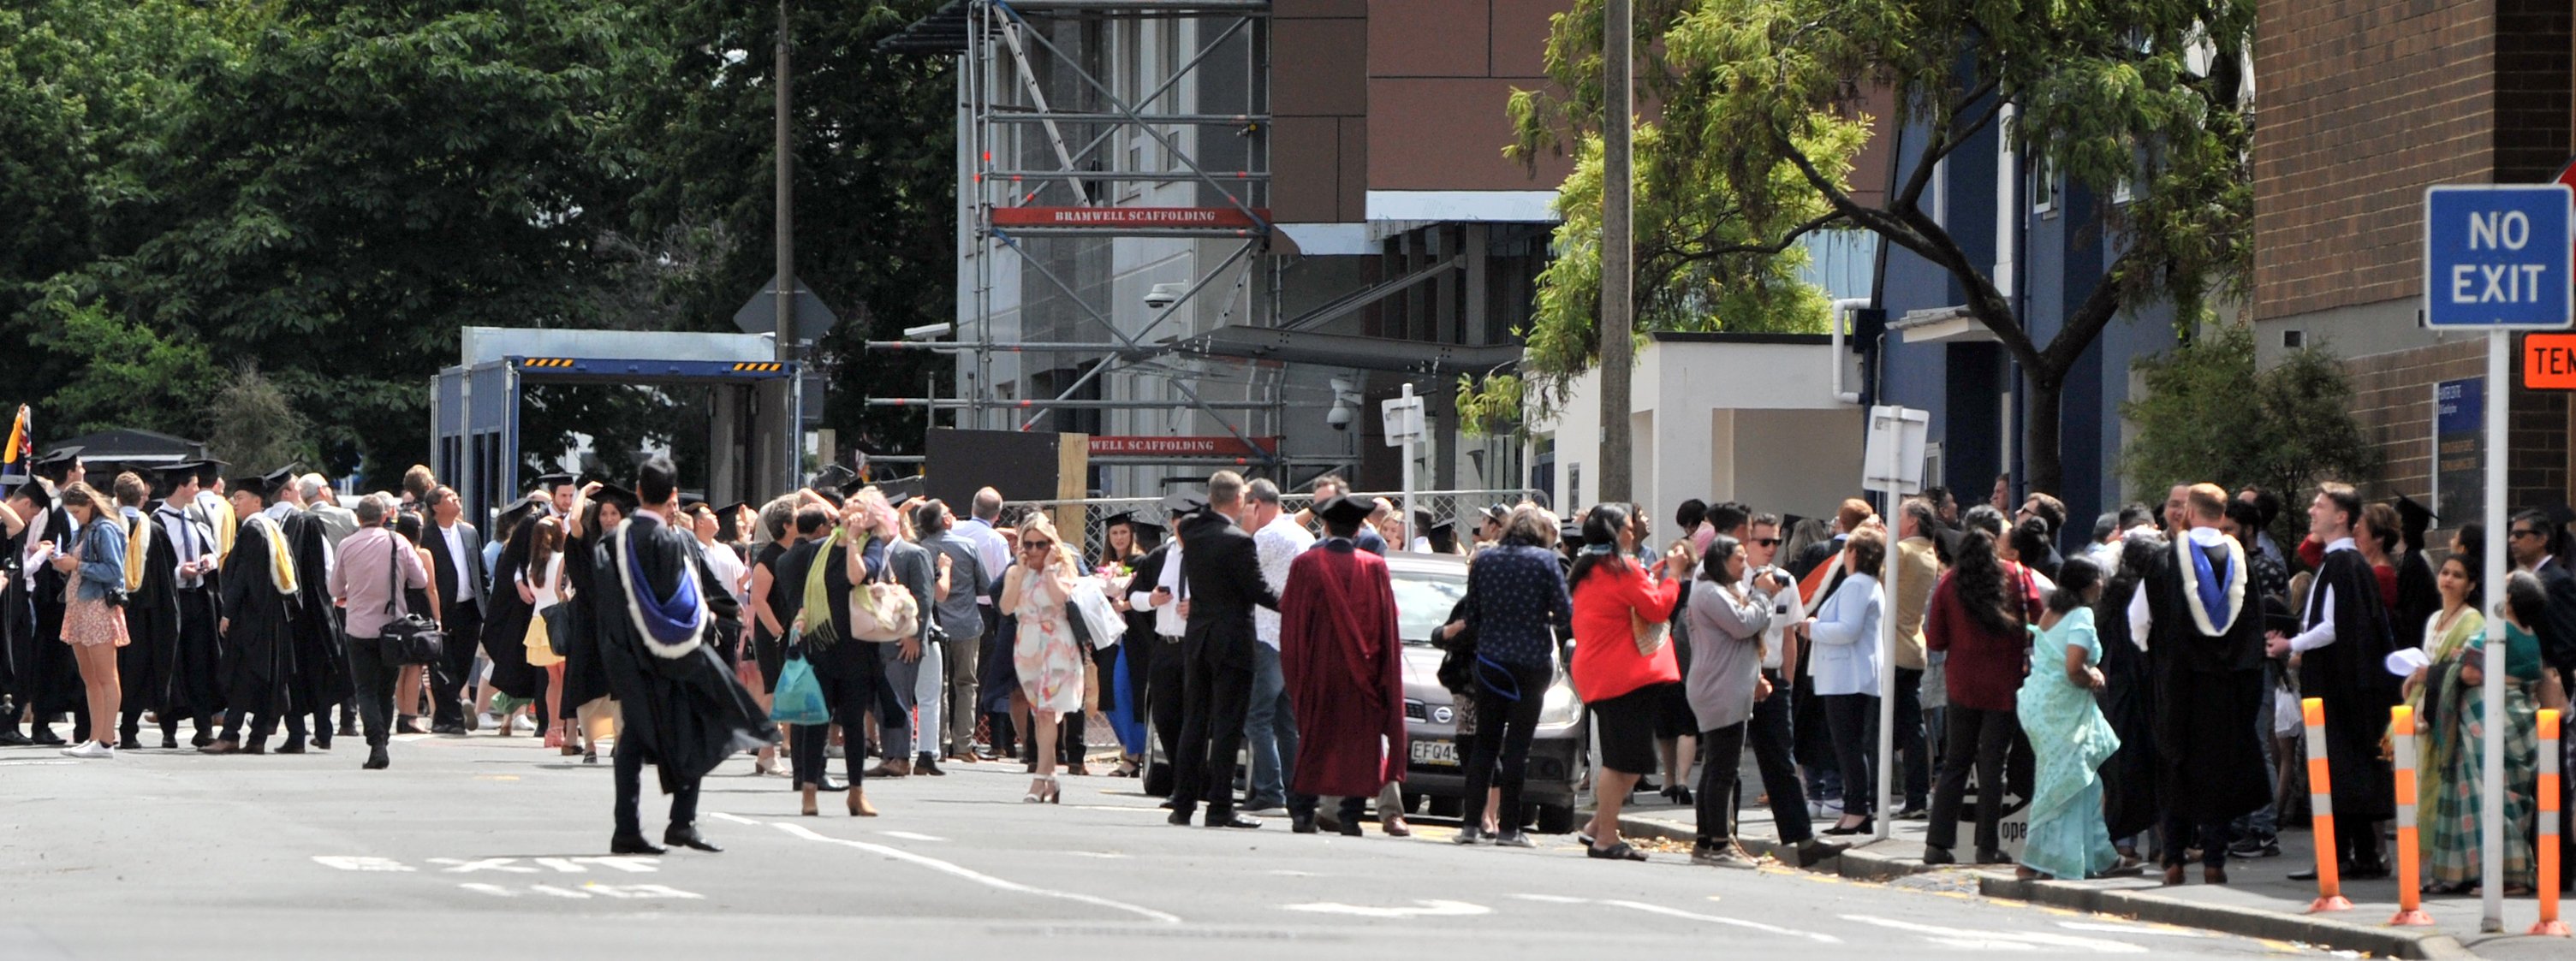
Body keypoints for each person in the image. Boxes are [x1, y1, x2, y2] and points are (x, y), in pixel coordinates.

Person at [588, 456, 775, 855]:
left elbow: (602, 606)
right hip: (672, 656)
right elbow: (682, 604)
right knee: (701, 724)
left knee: (634, 741)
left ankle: (629, 828)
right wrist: (708, 621)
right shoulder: (668, 541)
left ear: (638, 492)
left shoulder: (610, 542)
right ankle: (681, 821)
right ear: (673, 496)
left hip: (625, 656)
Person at [2128, 483, 2271, 885]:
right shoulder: (2243, 563)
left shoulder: (2164, 559)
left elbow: (2138, 622)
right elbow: (2255, 627)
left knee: (2175, 765)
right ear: (2224, 515)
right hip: (2226, 690)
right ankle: (2214, 861)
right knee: (2219, 770)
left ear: (2189, 511)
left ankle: (2173, 860)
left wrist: (2154, 657)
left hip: (2178, 684)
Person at [1684, 532, 1847, 868]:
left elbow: (1744, 639)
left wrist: (1759, 676)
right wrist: (1762, 593)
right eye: (1739, 558)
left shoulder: (1726, 590)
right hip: (1721, 687)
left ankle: (1711, 843)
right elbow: (1745, 625)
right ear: (1720, 560)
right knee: (1723, 769)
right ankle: (1717, 844)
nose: (1747, 564)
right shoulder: (1712, 591)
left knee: (1726, 766)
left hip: (1737, 682)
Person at [2267, 483, 2400, 881]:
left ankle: (2343, 856)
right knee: (2345, 769)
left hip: (2340, 690)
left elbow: (2332, 627)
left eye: (2320, 505)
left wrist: (2291, 643)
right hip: (2345, 688)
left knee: (2339, 768)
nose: (2311, 511)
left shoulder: (2343, 565)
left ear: (2341, 516)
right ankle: (2357, 854)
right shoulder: (2345, 564)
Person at [2419, 567, 2559, 894]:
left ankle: (2502, 877)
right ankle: (2499, 873)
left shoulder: (2497, 630)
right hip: (2521, 720)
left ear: (2509, 599)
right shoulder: (2530, 635)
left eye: (2505, 584)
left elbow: (2469, 673)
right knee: (2512, 799)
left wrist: (2455, 665)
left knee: (2484, 796)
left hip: (2487, 718)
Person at [1276, 494, 1408, 836]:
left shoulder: (1306, 564)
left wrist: (1296, 674)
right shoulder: (1374, 566)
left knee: (1313, 741)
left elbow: (1292, 624)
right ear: (1357, 529)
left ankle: (1303, 814)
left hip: (1318, 671)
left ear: (1325, 525)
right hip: (1361, 673)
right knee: (1359, 744)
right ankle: (1351, 816)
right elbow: (1386, 624)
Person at [1567, 501, 1690, 860]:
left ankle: (1596, 828)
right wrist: (1673, 576)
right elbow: (1657, 608)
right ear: (1614, 532)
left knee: (1632, 761)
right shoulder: (1621, 569)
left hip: (1602, 673)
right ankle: (1606, 836)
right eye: (1628, 527)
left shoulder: (1588, 569)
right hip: (1622, 676)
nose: (1633, 532)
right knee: (1623, 763)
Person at [1922, 507, 2044, 864]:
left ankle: (1938, 842)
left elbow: (1937, 641)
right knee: (1994, 766)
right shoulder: (2018, 577)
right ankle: (1986, 846)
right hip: (2005, 685)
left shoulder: (1948, 583)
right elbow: (2038, 618)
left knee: (1956, 762)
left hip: (1961, 685)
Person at [1452, 504, 1572, 846]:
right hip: (1532, 661)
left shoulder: (1486, 560)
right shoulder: (1546, 561)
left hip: (1491, 661)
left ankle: (1471, 825)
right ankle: (1510, 828)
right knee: (1519, 746)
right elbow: (1565, 613)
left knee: (1485, 744)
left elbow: (1472, 615)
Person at [1169, 472, 1281, 829]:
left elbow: (1195, 516)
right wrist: (1297, 604)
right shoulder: (1239, 542)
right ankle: (1219, 806)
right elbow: (1258, 590)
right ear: (1237, 501)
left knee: (1195, 722)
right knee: (1229, 725)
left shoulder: (1192, 530)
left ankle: (1183, 805)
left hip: (1199, 636)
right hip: (1232, 640)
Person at [2016, 557, 2121, 881]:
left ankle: (2102, 857)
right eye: (2099, 578)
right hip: (2061, 708)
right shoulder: (2082, 615)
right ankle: (2033, 860)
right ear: (2088, 584)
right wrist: (2095, 679)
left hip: (2040, 705)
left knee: (2084, 782)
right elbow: (2074, 667)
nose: (2103, 584)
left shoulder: (2051, 612)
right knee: (2062, 782)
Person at [329, 494, 429, 770]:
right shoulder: (399, 542)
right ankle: (381, 742)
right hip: (392, 628)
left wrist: (351, 592)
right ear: (385, 517)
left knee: (365, 689)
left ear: (359, 519)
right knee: (386, 690)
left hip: (359, 627)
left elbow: (334, 589)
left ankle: (377, 743)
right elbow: (421, 579)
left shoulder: (347, 545)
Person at [206, 472, 300, 755]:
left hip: (252, 619)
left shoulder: (252, 530)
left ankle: (231, 734)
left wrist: (228, 612)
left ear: (258, 501)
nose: (235, 503)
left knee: (241, 679)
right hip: (273, 617)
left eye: (241, 498)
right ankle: (257, 738)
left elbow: (243, 577)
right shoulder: (271, 527)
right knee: (264, 679)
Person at [1242, 479, 1315, 813]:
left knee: (1257, 717)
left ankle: (1271, 791)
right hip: (1296, 639)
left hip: (1268, 634)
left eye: (1245, 505)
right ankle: (1297, 789)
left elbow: (1243, 577)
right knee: (1287, 720)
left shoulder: (1265, 537)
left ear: (1256, 504)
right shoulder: (1304, 535)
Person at [1808, 526, 1887, 837]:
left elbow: (1848, 629)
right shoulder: (1866, 583)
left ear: (1854, 553)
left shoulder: (1856, 584)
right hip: (1850, 675)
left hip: (1848, 677)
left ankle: (1857, 810)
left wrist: (1812, 628)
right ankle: (1855, 810)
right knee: (1848, 747)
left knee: (1849, 747)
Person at [1002, 511, 1084, 804]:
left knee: (1048, 711)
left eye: (1041, 544)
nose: (1035, 550)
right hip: (1027, 645)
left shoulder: (1061, 567)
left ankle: (1040, 780)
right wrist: (1022, 572)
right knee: (1040, 713)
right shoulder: (1015, 571)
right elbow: (1006, 607)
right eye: (1030, 544)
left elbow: (1062, 598)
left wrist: (1048, 570)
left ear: (1052, 544)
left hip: (1057, 643)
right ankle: (1051, 779)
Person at [1127, 493, 1202, 797]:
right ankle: (1179, 776)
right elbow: (1132, 598)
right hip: (1166, 647)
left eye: (1187, 521)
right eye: (1177, 520)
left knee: (1195, 718)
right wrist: (1152, 599)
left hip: (1196, 646)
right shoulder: (1159, 556)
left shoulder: (1207, 555)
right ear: (1171, 524)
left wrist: (1200, 606)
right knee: (1165, 717)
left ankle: (1189, 786)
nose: (1180, 526)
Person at [51, 483, 128, 759]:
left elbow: (114, 571)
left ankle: (106, 740)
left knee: (106, 675)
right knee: (90, 676)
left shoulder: (105, 528)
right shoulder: (85, 530)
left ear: (90, 505)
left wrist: (77, 566)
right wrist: (63, 563)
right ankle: (95, 736)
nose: (75, 516)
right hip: (80, 605)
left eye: (77, 511)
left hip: (98, 606)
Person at [863, 492, 937, 780]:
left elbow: (924, 597)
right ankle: (888, 755)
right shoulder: (873, 554)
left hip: (904, 641)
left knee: (899, 697)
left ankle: (902, 757)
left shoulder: (914, 553)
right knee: (883, 702)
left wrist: (915, 635)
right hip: (880, 639)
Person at [150, 463, 223, 749]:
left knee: (201, 664)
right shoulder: (156, 521)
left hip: (199, 601)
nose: (197, 488)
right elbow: (152, 568)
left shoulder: (196, 516)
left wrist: (209, 562)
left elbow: (214, 551)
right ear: (181, 486)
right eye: (193, 484)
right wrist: (181, 572)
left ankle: (204, 728)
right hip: (172, 601)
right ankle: (169, 728)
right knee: (171, 663)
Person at [109, 472, 181, 752]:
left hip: (114, 609)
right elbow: (168, 577)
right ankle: (132, 731)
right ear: (142, 498)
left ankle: (92, 729)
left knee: (111, 670)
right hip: (149, 615)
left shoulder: (108, 526)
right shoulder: (157, 531)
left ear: (116, 496)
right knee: (145, 670)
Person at [917, 498, 989, 768]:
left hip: (935, 625)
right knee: (967, 683)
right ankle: (964, 744)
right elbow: (985, 586)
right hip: (968, 624)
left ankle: (939, 742)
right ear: (946, 520)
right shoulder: (968, 546)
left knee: (938, 686)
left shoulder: (921, 550)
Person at [1889, 497, 1942, 820]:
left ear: (1912, 523)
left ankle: (1898, 797)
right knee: (1913, 727)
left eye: (1898, 516)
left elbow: (1874, 578)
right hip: (1914, 647)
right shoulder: (1928, 553)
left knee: (1889, 729)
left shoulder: (1903, 552)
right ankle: (1916, 796)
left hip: (1894, 647)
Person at [420, 486, 486, 734]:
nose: (456, 499)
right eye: (449, 497)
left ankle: (445, 717)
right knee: (441, 665)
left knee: (461, 665)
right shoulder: (426, 535)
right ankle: (451, 718)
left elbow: (480, 571)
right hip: (442, 611)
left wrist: (484, 604)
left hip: (469, 610)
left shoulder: (469, 532)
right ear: (436, 506)